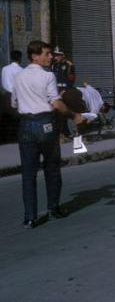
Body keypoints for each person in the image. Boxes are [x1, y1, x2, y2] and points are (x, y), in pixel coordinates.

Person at [11, 40, 84, 228]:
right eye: (47, 54)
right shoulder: (48, 76)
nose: (51, 57)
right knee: (51, 169)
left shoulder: (18, 77)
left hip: (25, 125)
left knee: (28, 174)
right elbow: (56, 103)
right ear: (35, 56)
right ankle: (53, 209)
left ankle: (30, 217)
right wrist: (74, 115)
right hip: (45, 124)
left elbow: (14, 103)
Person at [1, 50, 23, 141]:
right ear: (20, 58)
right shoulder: (21, 70)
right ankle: (17, 137)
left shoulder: (4, 68)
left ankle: (7, 137)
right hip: (16, 95)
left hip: (6, 95)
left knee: (7, 117)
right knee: (17, 117)